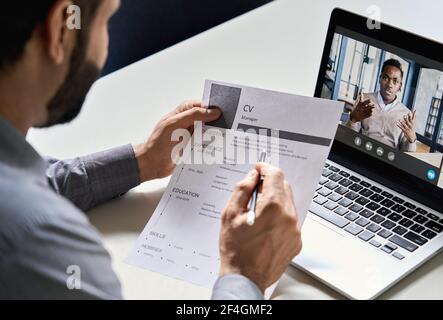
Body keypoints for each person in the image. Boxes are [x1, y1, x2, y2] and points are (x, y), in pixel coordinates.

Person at [0, 0, 301, 299]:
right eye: (107, 22)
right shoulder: (42, 250)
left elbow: (35, 183)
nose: (105, 48)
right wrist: (245, 275)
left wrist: (144, 161)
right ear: (60, 29)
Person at [346, 59, 417, 152]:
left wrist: (412, 140)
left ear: (400, 86)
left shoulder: (406, 114)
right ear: (380, 79)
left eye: (395, 81)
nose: (389, 84)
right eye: (386, 78)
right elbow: (349, 137)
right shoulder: (363, 100)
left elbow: (407, 154)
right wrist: (353, 119)